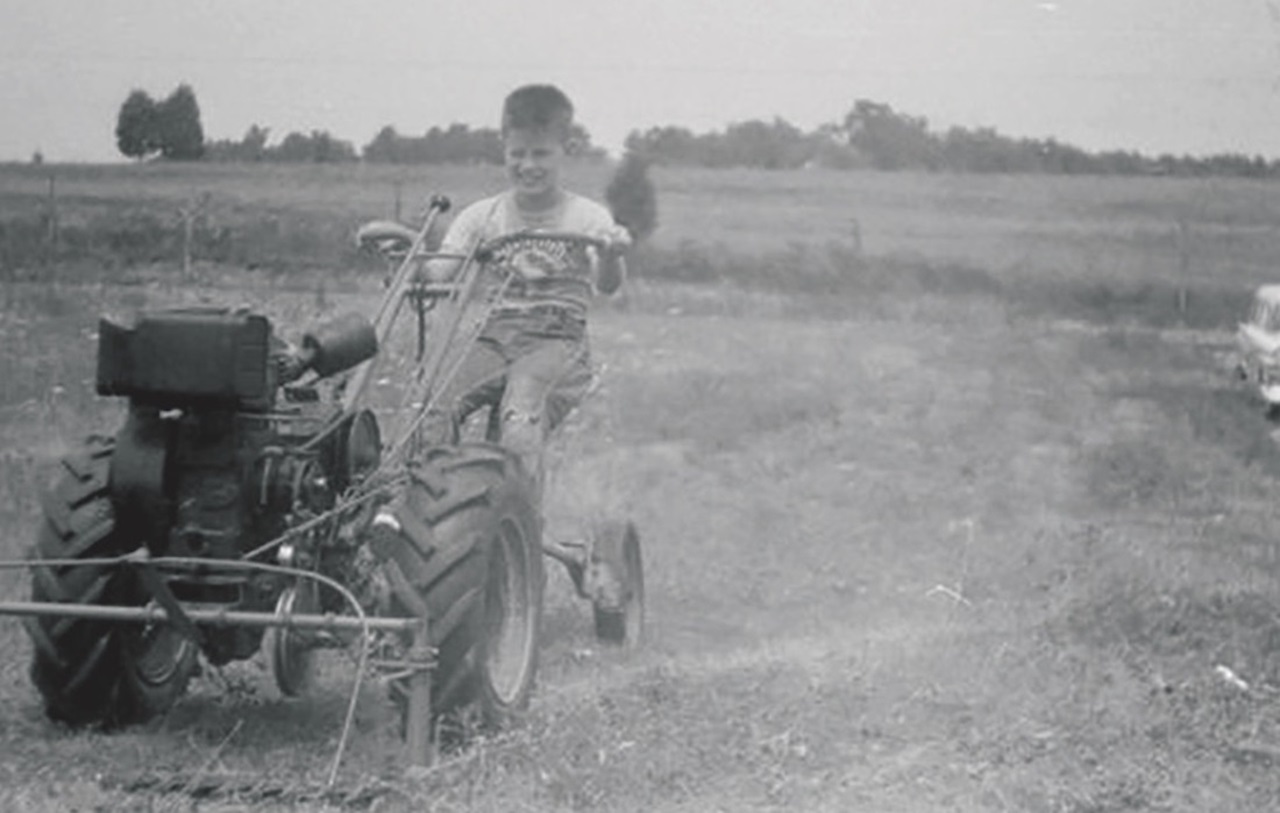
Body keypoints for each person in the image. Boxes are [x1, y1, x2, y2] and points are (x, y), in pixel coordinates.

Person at [419, 84, 631, 499]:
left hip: (556, 342)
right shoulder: (484, 216)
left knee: (519, 418)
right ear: (504, 149)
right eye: (517, 154)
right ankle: (430, 516)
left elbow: (608, 283)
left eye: (541, 154)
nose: (528, 165)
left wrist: (610, 251)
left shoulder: (587, 217)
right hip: (494, 339)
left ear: (565, 150)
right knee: (430, 409)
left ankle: (520, 533)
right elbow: (441, 272)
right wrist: (405, 257)